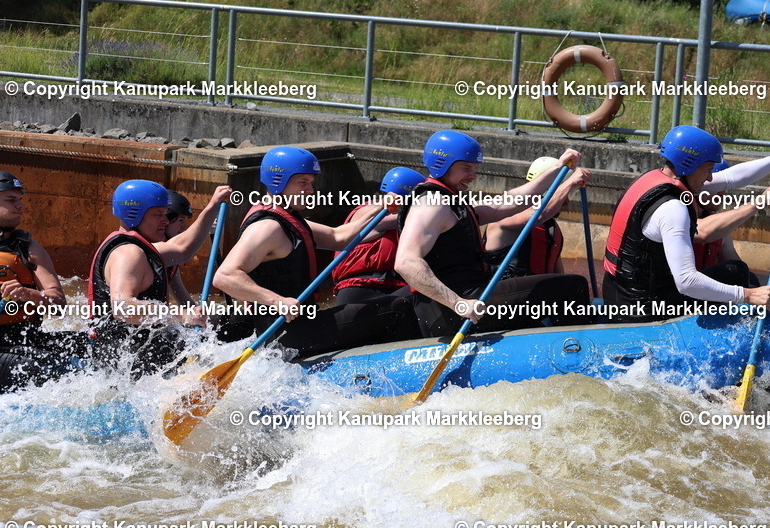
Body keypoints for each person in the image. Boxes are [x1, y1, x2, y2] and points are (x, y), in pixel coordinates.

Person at [212, 146, 417, 358]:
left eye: (311, 183)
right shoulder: (267, 228)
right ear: (277, 181)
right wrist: (277, 301)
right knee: (396, 307)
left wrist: (381, 206)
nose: (310, 190)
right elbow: (225, 276)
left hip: (300, 326)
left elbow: (339, 237)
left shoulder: (288, 218)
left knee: (386, 305)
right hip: (285, 334)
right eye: (303, 183)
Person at [603, 125, 770, 322]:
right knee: (734, 272)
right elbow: (686, 281)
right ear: (690, 165)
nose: (709, 179)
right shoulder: (673, 209)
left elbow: (731, 178)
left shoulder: (653, 179)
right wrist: (748, 295)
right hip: (645, 308)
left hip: (617, 295)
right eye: (708, 170)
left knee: (734, 272)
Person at [395, 130, 591, 338]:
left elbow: (510, 201)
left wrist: (558, 168)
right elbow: (406, 262)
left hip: (467, 302)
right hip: (453, 312)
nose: (473, 175)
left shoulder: (451, 202)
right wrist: (458, 304)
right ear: (442, 164)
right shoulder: (432, 204)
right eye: (466, 168)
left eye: (474, 168)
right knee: (572, 286)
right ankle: (577, 349)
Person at [88, 179, 232, 378]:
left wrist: (213, 206)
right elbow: (123, 308)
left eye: (165, 214)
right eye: (158, 214)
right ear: (134, 214)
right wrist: (181, 315)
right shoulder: (128, 253)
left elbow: (183, 249)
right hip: (126, 367)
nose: (165, 221)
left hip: (137, 361)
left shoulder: (141, 249)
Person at [0, 171, 87, 394]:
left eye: (20, 200)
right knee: (50, 368)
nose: (20, 206)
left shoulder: (29, 249)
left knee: (92, 346)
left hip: (26, 337)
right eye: (10, 200)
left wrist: (30, 295)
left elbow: (58, 304)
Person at [332, 166, 425, 306]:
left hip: (397, 289)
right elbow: (390, 219)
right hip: (361, 288)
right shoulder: (369, 210)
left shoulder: (415, 223)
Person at [482, 156, 588, 279]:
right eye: (562, 195)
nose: (566, 202)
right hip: (501, 294)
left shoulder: (551, 229)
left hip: (537, 295)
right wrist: (570, 183)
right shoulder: (504, 218)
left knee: (573, 283)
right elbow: (538, 215)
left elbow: (559, 277)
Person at [164, 190, 194, 306]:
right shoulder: (145, 252)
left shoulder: (170, 260)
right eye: (180, 220)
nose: (185, 227)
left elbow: (186, 304)